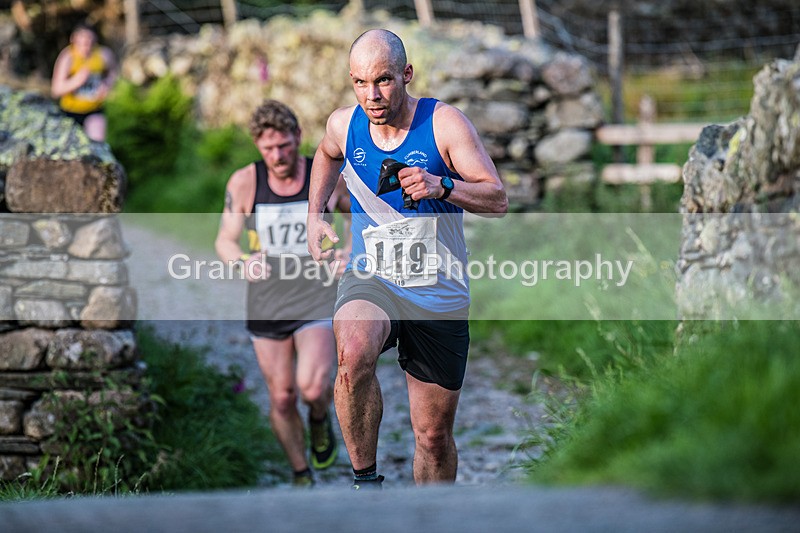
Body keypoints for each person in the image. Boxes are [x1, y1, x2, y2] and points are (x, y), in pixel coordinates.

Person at [307, 29, 508, 488]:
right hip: (372, 277)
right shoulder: (345, 123)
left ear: (407, 74)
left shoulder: (444, 124)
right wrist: (315, 216)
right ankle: (366, 485)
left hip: (438, 291)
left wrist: (444, 186)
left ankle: (428, 518)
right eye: (359, 83)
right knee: (352, 352)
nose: (372, 96)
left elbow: (497, 198)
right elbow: (325, 153)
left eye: (382, 81)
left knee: (433, 436)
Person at [216, 100, 350, 486]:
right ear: (258, 146)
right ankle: (300, 471)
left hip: (316, 296)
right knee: (281, 397)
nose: (277, 156)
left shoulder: (323, 175)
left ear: (298, 138)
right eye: (268, 148)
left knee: (311, 387)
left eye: (284, 146)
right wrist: (243, 262)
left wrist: (349, 251)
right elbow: (225, 240)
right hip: (267, 302)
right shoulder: (244, 182)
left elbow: (354, 215)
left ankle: (321, 418)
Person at [51, 23, 117, 142]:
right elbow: (56, 90)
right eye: (81, 43)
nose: (86, 47)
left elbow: (113, 73)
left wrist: (107, 84)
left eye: (89, 42)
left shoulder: (104, 54)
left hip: (94, 109)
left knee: (97, 142)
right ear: (73, 40)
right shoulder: (67, 57)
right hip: (70, 112)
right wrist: (76, 82)